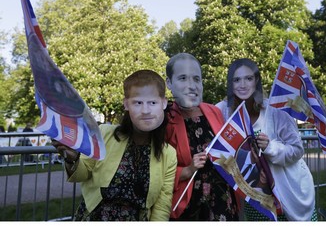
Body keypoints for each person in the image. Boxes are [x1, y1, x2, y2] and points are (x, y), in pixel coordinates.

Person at [52, 69, 177, 221]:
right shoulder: (104, 133)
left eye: (152, 102)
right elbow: (82, 174)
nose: (145, 110)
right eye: (137, 102)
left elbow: (162, 206)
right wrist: (73, 158)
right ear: (126, 104)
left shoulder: (168, 154)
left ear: (163, 103)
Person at [216, 58, 316, 221]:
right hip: (257, 199)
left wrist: (271, 147)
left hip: (289, 194)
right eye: (236, 79)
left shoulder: (276, 111)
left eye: (248, 78)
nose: (243, 84)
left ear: (257, 81)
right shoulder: (225, 112)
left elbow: (297, 150)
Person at [165, 52, 239, 221]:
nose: (192, 85)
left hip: (222, 202)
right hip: (189, 207)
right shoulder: (164, 119)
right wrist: (187, 170)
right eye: (183, 78)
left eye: (196, 79)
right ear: (169, 83)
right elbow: (157, 170)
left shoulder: (214, 111)